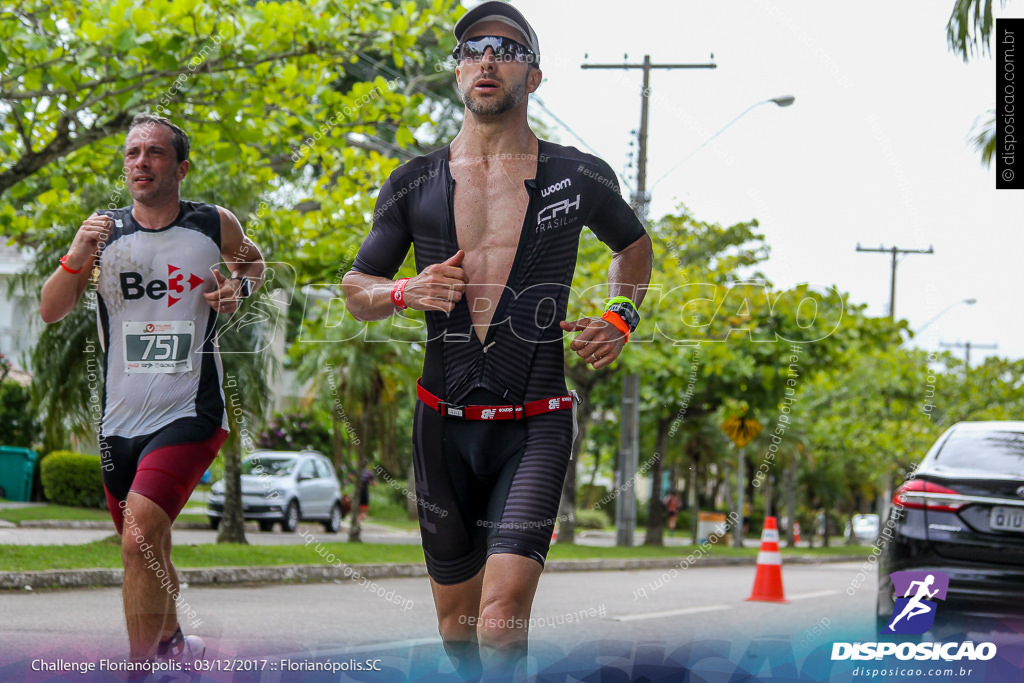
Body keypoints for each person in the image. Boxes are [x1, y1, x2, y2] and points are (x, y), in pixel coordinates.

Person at [342, 3, 653, 676]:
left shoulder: (579, 174)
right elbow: (356, 288)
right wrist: (403, 290)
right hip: (441, 422)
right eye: (473, 49)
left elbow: (633, 245)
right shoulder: (412, 183)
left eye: (506, 49)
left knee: (500, 621)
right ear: (457, 73)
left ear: (534, 77)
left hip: (535, 422)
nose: (487, 58)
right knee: (458, 626)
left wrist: (621, 316)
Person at [39, 113, 265, 667]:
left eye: (155, 153)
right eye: (133, 153)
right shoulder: (103, 234)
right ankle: (172, 647)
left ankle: (140, 671)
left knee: (139, 537)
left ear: (181, 167)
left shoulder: (214, 224)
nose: (142, 162)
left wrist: (239, 288)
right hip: (118, 421)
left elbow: (253, 263)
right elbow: (51, 309)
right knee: (147, 547)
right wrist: (76, 252)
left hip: (191, 408)